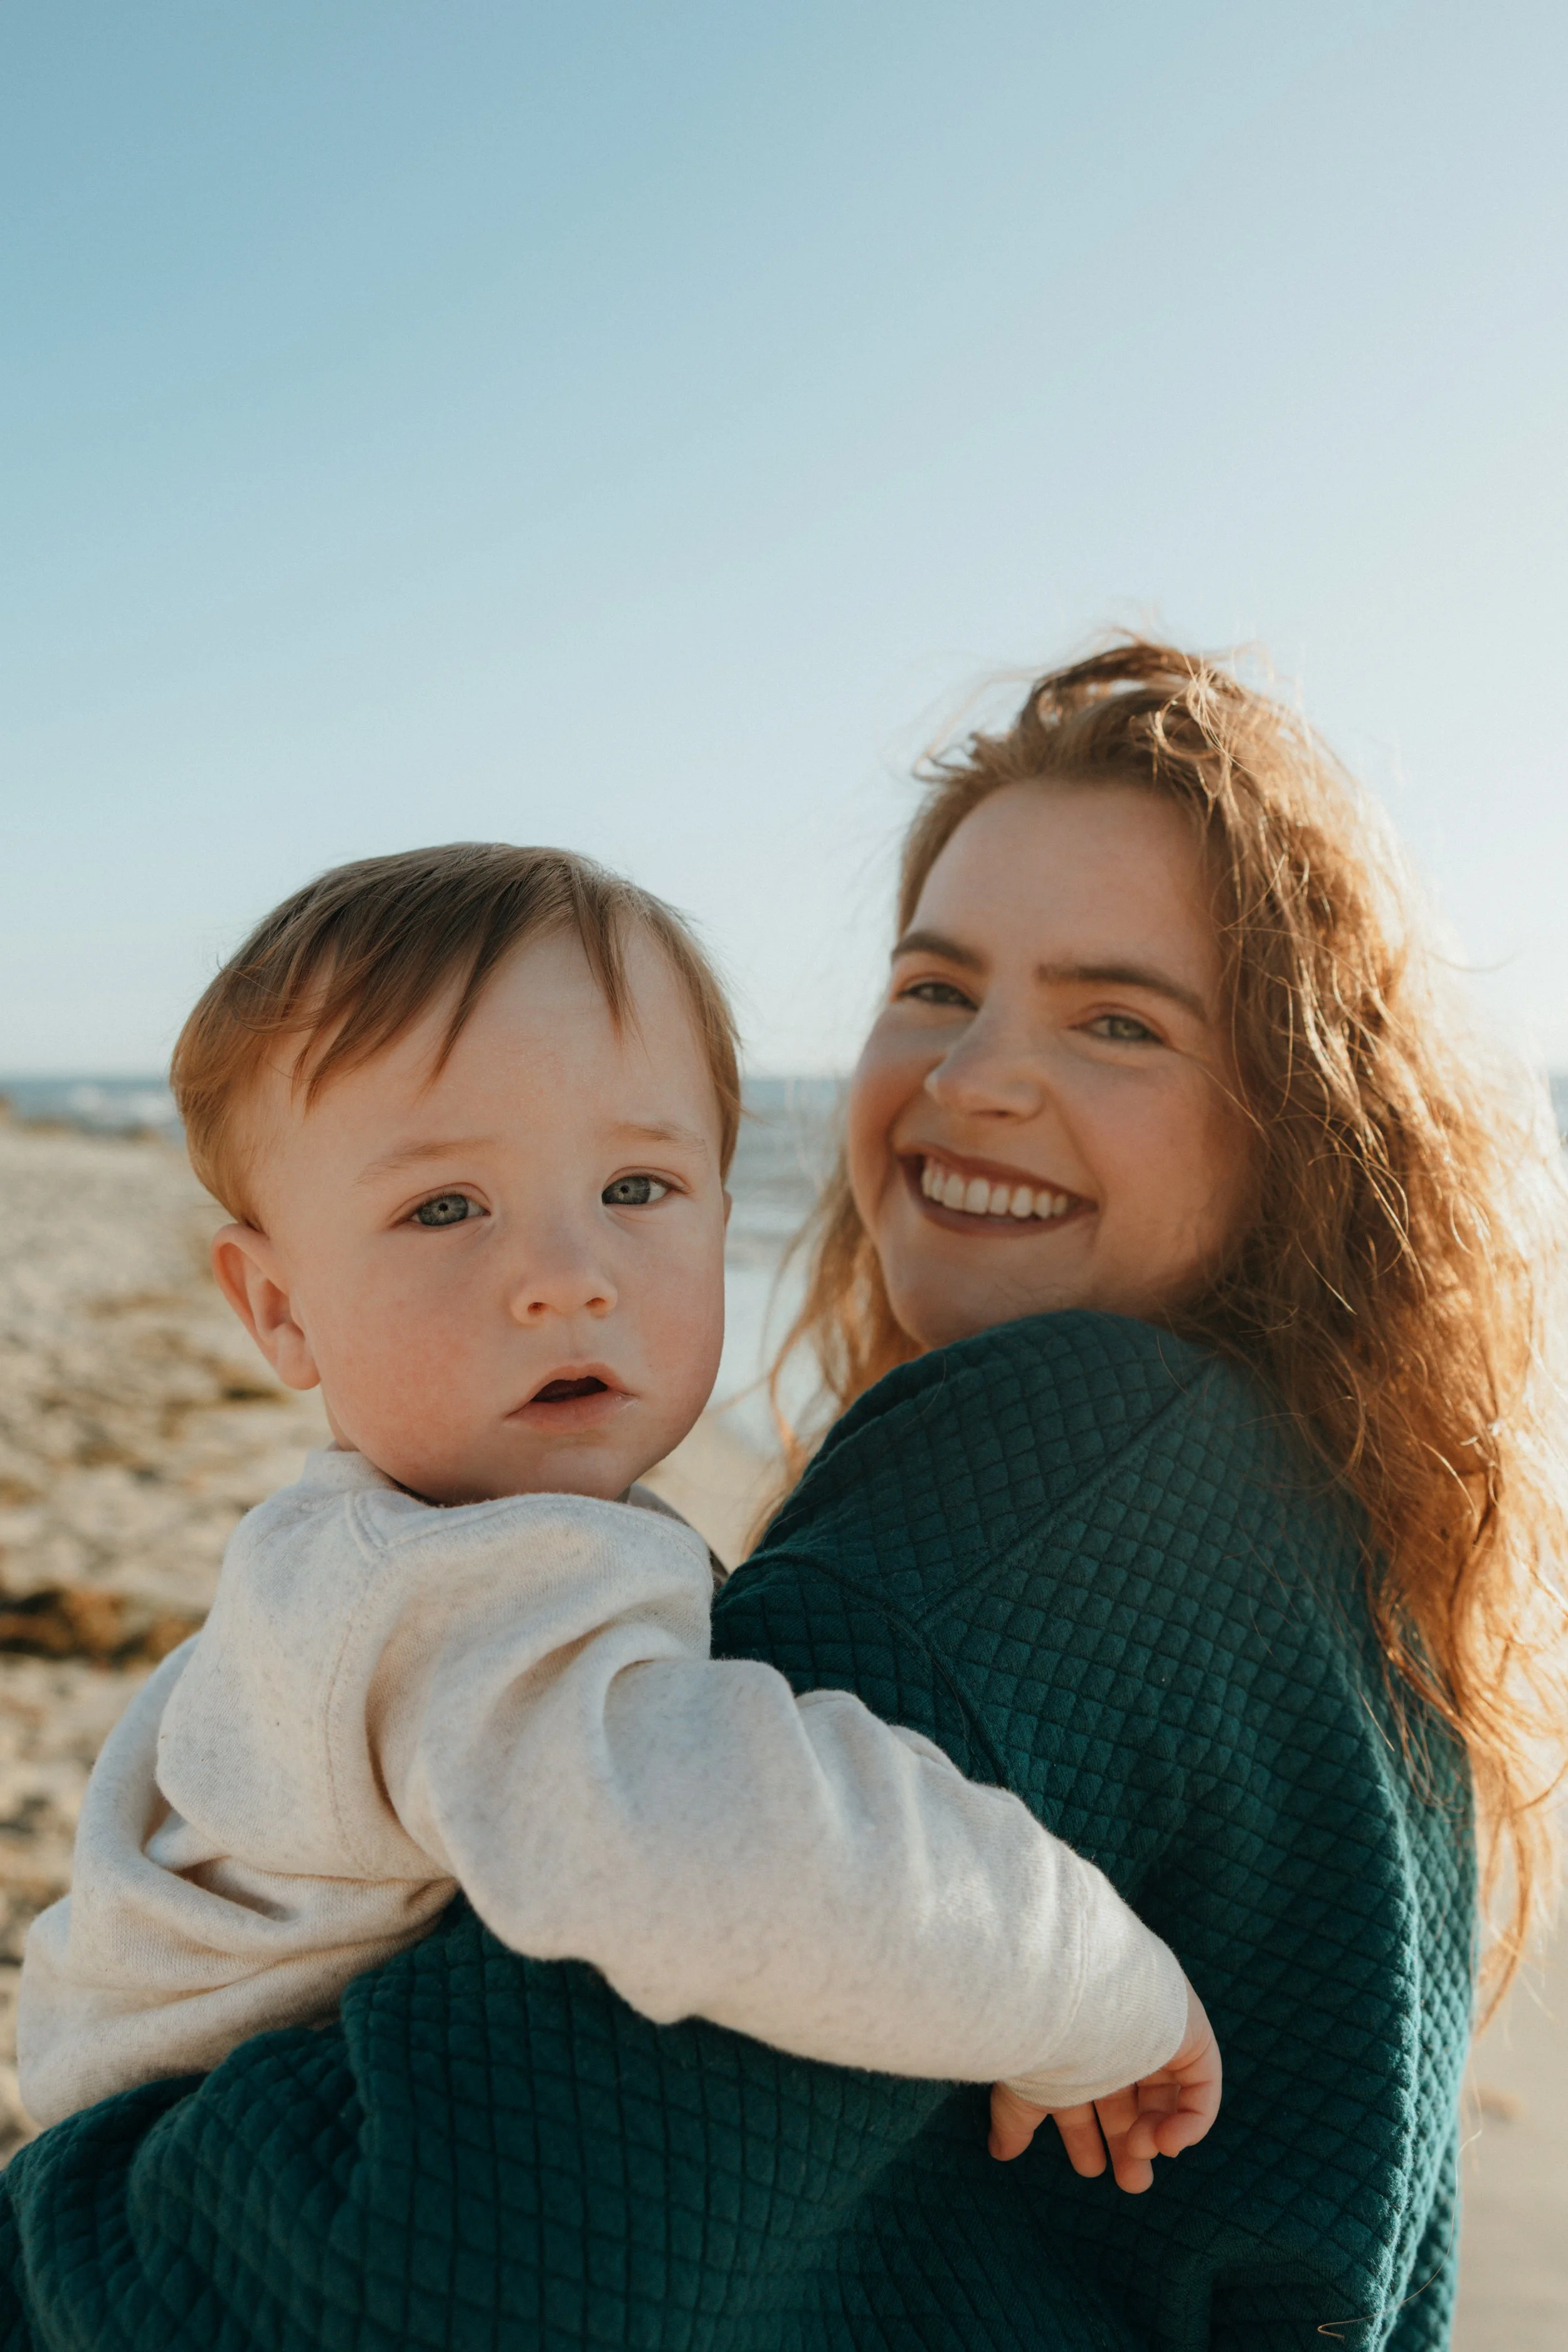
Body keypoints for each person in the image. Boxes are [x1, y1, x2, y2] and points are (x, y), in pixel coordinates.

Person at [4, 644, 1564, 2352]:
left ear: (1302, 1110)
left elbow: (439, 2258)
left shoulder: (1073, 1461)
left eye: (1116, 1016)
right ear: (274, 1299)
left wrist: (49, 2229)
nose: (972, 1078)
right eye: (935, 984)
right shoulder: (1335, 1529)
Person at [16, 841, 1216, 2176]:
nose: (564, 1276)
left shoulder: (394, 1553)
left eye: (634, 1189)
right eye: (444, 1207)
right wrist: (1091, 1984)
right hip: (197, 2215)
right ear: (279, 1307)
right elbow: (731, 1852)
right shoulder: (437, 1593)